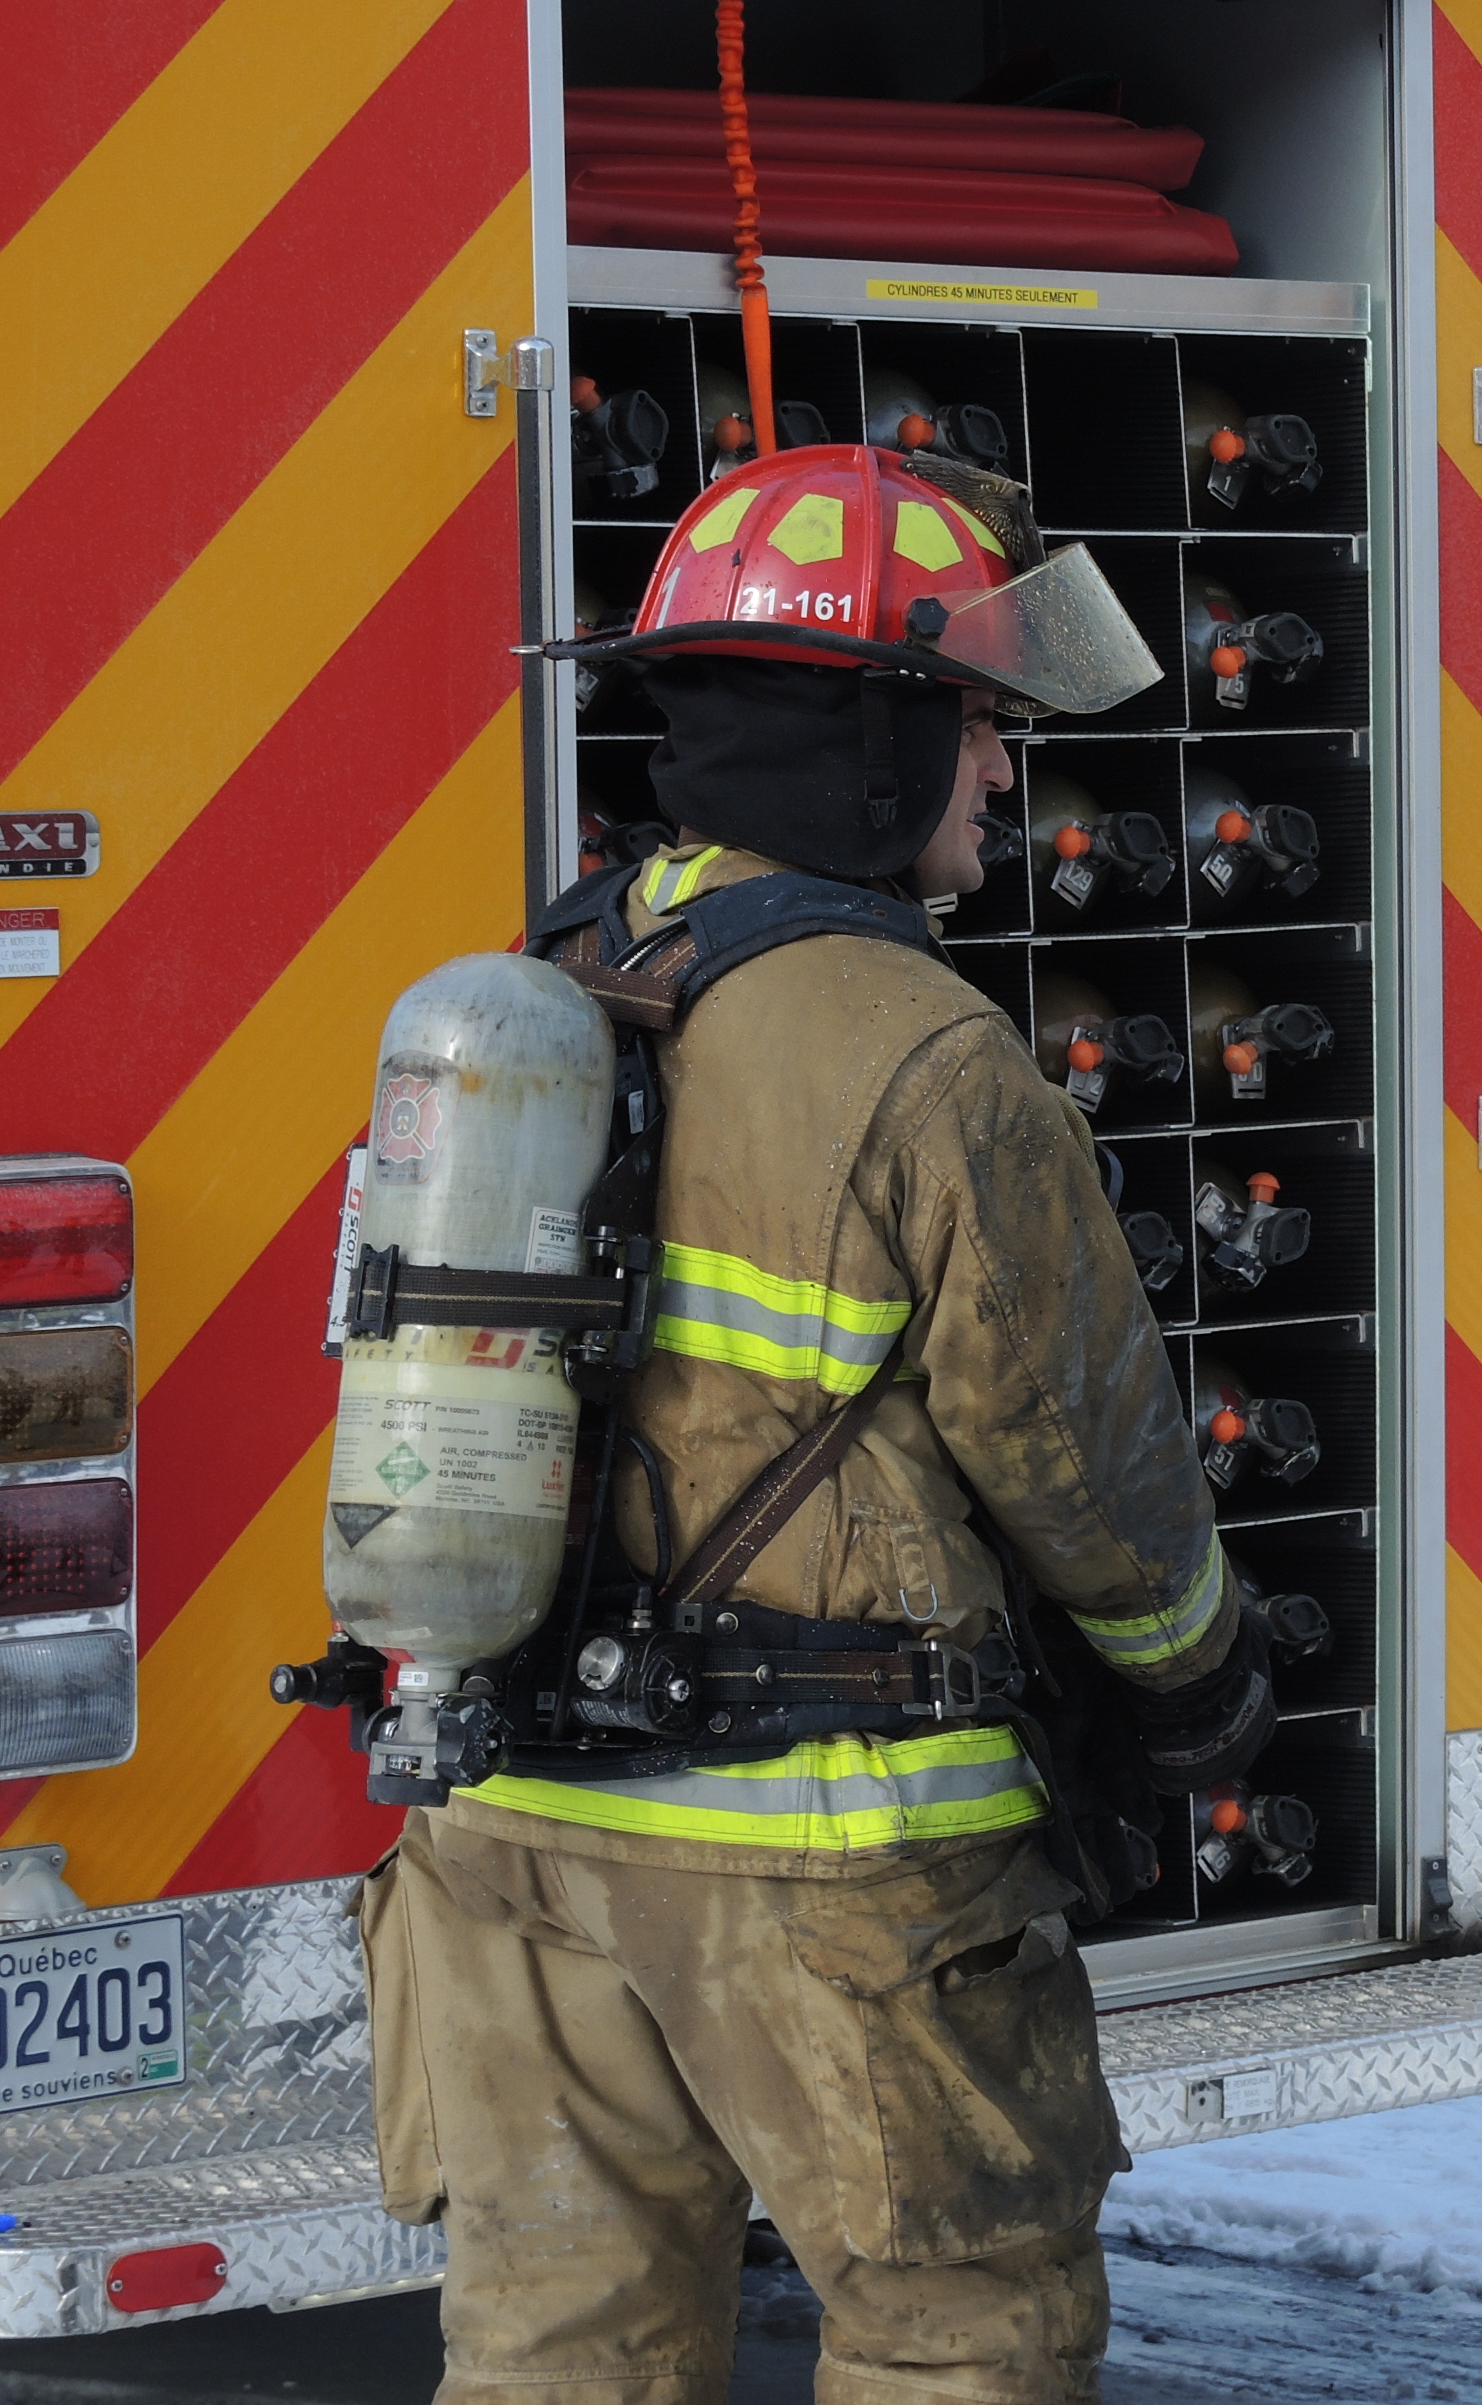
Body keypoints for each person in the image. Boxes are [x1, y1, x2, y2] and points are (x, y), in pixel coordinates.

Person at [354, 443, 1274, 2405]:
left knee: (552, 2359)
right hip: (830, 1860)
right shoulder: (925, 1054)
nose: (1010, 771)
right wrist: (1194, 1692)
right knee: (963, 2336)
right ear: (874, 746)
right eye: (976, 725)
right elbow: (1092, 1470)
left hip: (505, 1834)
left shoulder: (551, 983)